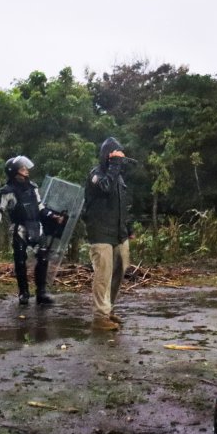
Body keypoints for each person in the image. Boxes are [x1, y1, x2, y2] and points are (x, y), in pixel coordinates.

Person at [0, 155, 65, 305]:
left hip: (37, 226)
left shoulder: (33, 187)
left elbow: (40, 207)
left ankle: (41, 293)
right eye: (23, 168)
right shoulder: (7, 191)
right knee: (20, 260)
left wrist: (53, 216)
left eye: (25, 168)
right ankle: (24, 293)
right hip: (20, 228)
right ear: (14, 172)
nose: (26, 171)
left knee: (43, 257)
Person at [83, 137, 132, 331]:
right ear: (107, 156)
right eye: (115, 156)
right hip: (101, 232)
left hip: (118, 232)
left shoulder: (118, 177)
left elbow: (123, 204)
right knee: (103, 274)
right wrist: (113, 166)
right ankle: (99, 316)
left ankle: (108, 309)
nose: (119, 160)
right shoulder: (96, 174)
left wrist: (129, 228)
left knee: (119, 271)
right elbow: (105, 187)